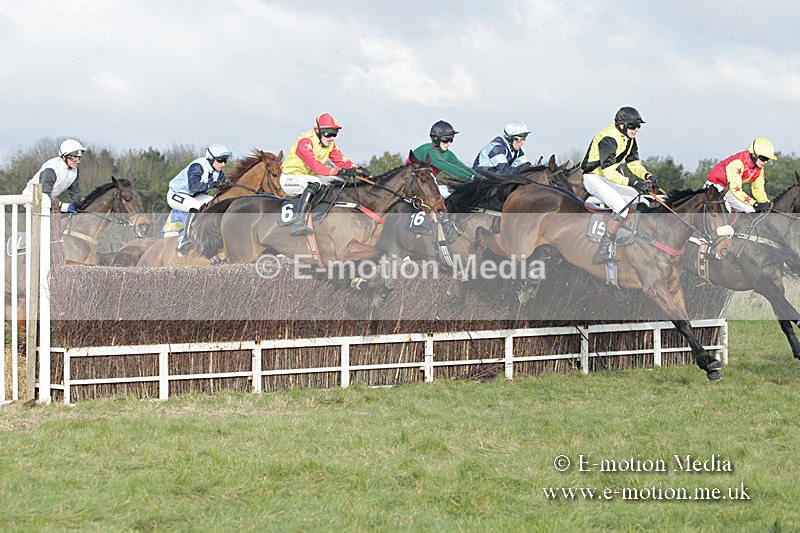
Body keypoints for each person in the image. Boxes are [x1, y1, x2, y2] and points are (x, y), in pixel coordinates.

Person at [580, 106, 659, 264]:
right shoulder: (608, 138)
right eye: (632, 126)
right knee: (621, 209)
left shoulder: (629, 139)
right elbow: (609, 171)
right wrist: (633, 182)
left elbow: (634, 163)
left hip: (607, 179)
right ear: (621, 125)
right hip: (593, 178)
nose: (636, 129)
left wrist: (646, 175)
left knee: (639, 200)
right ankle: (603, 249)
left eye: (638, 126)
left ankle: (625, 236)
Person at [280, 113, 369, 235]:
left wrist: (359, 169)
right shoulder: (305, 142)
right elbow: (316, 166)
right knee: (315, 182)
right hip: (290, 179)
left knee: (336, 180)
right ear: (319, 131)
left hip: (308, 177)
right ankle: (298, 223)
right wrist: (342, 171)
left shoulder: (330, 145)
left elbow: (341, 161)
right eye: (328, 133)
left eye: (334, 134)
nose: (331, 137)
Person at [167, 144, 232, 253]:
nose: (223, 164)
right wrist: (212, 184)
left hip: (195, 195)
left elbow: (222, 187)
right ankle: (185, 238)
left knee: (216, 204)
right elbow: (193, 187)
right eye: (220, 161)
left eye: (225, 161)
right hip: (177, 194)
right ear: (211, 159)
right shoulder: (198, 166)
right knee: (195, 206)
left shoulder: (218, 171)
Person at [705, 138, 776, 213]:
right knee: (727, 210)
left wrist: (765, 203)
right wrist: (754, 203)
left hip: (728, 189)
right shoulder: (737, 163)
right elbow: (736, 190)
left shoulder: (759, 168)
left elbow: (758, 189)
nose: (765, 162)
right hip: (715, 187)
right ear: (754, 155)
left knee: (751, 210)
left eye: (767, 159)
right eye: (763, 158)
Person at [413, 120, 480, 198]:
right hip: (410, 184)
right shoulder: (429, 150)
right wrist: (470, 177)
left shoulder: (447, 153)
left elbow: (461, 165)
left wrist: (480, 177)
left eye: (451, 140)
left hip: (427, 183)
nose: (449, 143)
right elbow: (447, 167)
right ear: (436, 138)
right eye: (446, 140)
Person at [23, 139, 87, 212]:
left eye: (79, 158)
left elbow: (75, 193)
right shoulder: (51, 170)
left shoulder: (75, 171)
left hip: (47, 199)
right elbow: (44, 196)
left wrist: (85, 203)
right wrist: (66, 207)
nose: (77, 161)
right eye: (73, 159)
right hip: (32, 200)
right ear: (63, 157)